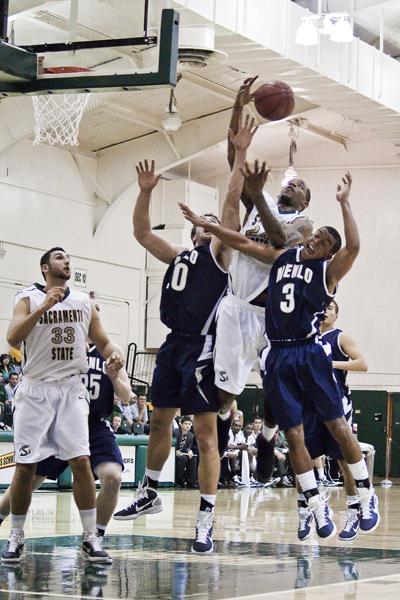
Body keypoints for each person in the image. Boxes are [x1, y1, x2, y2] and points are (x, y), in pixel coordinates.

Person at [180, 167, 380, 540]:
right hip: (279, 354)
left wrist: (345, 203)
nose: (313, 241)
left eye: (320, 240)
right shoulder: (283, 258)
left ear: (326, 250)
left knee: (336, 431)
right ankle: (314, 506)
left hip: (308, 353)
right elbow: (242, 243)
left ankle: (364, 498)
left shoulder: (326, 271)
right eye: (314, 237)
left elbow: (352, 247)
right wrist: (204, 225)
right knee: (296, 436)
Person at [113, 116, 256, 554]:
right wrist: (144, 192)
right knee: (160, 420)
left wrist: (240, 156)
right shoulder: (179, 255)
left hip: (202, 349)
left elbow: (231, 207)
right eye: (202, 221)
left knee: (206, 433)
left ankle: (206, 519)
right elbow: (140, 232)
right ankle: (150, 490)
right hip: (172, 345)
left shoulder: (218, 255)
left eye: (212, 221)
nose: (207, 222)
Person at [1, 247, 124, 564]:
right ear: (44, 267)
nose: (66, 261)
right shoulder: (27, 297)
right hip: (35, 390)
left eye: (68, 257)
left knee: (81, 462)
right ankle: (16, 536)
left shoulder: (83, 301)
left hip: (70, 390)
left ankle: (90, 537)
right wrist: (44, 307)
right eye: (58, 257)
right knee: (26, 469)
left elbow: (103, 340)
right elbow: (13, 337)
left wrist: (114, 353)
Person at [215, 77, 313, 452]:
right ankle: (224, 431)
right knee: (224, 392)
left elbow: (278, 242)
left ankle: (269, 437)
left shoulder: (304, 225)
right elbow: (234, 162)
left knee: (276, 389)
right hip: (237, 306)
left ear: (304, 201)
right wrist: (237, 108)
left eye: (300, 185)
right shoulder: (262, 201)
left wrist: (257, 196)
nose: (293, 185)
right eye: (291, 182)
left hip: (273, 316)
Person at [0, 343, 131, 557]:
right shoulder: (61, 343)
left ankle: (94, 537)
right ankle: (13, 532)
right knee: (27, 480)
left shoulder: (110, 350)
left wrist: (114, 377)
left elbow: (126, 397)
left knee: (113, 477)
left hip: (94, 425)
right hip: (57, 421)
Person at [297, 299, 369, 541]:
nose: (325, 311)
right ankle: (306, 509)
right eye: (323, 307)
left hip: (336, 405)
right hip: (309, 406)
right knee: (303, 459)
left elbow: (362, 364)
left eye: (330, 308)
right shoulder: (306, 337)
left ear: (337, 315)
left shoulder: (340, 337)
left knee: (343, 461)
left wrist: (329, 364)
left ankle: (354, 510)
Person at [175, 416, 197, 488]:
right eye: (186, 424)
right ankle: (179, 481)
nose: (188, 425)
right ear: (181, 424)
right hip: (173, 453)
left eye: (189, 424)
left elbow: (187, 447)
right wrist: (175, 451)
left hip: (182, 453)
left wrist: (189, 450)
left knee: (193, 458)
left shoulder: (191, 435)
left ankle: (191, 482)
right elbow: (169, 443)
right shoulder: (175, 432)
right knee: (183, 458)